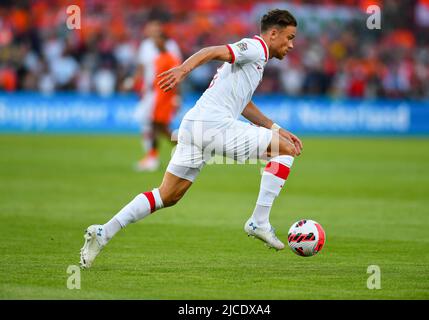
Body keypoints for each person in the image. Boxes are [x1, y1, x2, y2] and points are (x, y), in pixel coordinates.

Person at [80, 9, 303, 269]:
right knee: (285, 151)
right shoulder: (255, 47)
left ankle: (103, 232)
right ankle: (259, 221)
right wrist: (183, 70)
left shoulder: (257, 60)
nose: (291, 44)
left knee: (167, 195)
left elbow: (243, 104)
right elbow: (211, 50)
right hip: (212, 125)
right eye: (289, 37)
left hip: (195, 124)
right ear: (273, 33)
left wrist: (275, 127)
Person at [133, 19, 181, 171]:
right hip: (155, 95)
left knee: (160, 127)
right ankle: (153, 156)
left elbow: (177, 77)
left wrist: (176, 97)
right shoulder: (158, 58)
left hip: (165, 97)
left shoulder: (170, 57)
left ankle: (181, 150)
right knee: (155, 125)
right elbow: (151, 75)